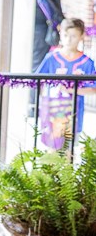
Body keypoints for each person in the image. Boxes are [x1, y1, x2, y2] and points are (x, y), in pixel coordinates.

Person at [34, 18, 96, 150]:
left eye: (73, 36)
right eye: (65, 35)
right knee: (51, 148)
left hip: (73, 110)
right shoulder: (51, 58)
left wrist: (71, 90)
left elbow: (92, 89)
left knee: (69, 147)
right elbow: (39, 80)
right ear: (60, 34)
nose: (69, 40)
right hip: (52, 108)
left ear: (82, 36)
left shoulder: (86, 62)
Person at [33, 0, 64, 72]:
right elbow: (58, 14)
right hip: (43, 31)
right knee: (37, 66)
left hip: (24, 27)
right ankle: (33, 89)